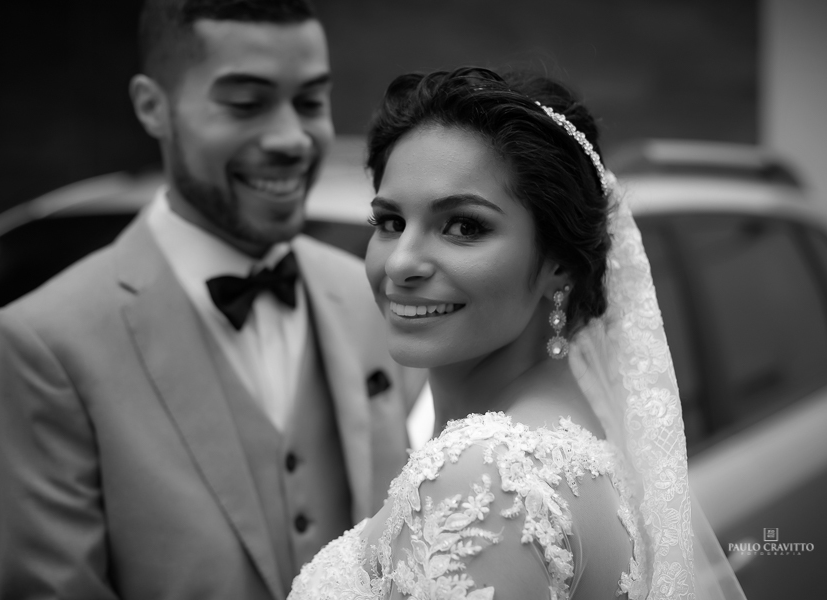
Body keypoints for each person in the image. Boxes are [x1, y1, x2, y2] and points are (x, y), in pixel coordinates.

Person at [0, 1, 425, 598]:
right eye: (246, 103)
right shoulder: (44, 344)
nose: (292, 138)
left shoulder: (368, 291)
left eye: (311, 101)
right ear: (152, 107)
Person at [288, 67, 747, 599]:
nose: (401, 264)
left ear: (558, 261)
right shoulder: (573, 443)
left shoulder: (488, 473)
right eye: (390, 222)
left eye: (464, 226)